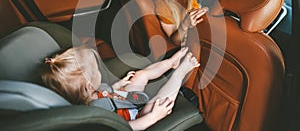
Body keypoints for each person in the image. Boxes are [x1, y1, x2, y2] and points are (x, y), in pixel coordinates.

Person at [41, 45, 200, 131]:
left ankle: (170, 63)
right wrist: (153, 117)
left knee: (141, 75)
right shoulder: (95, 114)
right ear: (89, 85)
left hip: (125, 102)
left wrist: (119, 85)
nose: (99, 71)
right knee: (157, 104)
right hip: (134, 118)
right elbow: (126, 127)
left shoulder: (90, 93)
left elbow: (106, 94)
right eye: (97, 70)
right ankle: (180, 72)